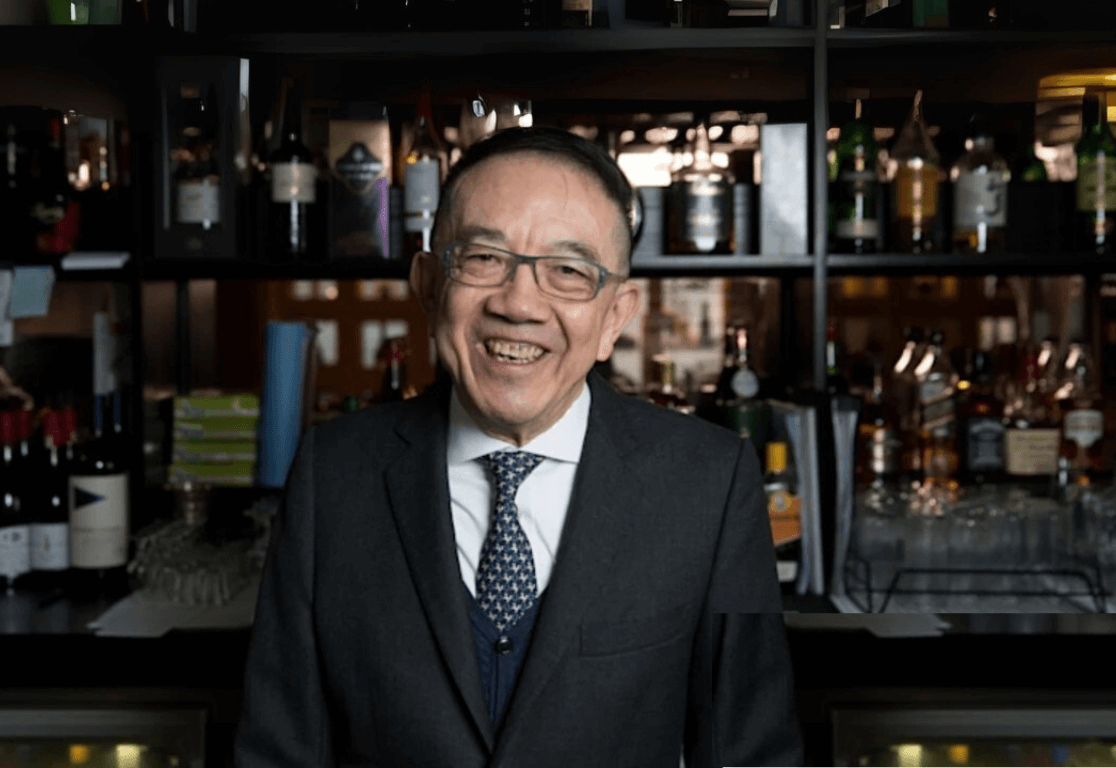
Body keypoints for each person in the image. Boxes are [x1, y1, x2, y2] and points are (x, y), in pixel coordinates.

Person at [234, 126, 804, 767]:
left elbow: (752, 755)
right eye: (483, 258)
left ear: (615, 316)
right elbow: (277, 754)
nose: (519, 304)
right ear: (429, 286)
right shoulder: (332, 474)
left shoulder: (708, 481)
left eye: (568, 271)